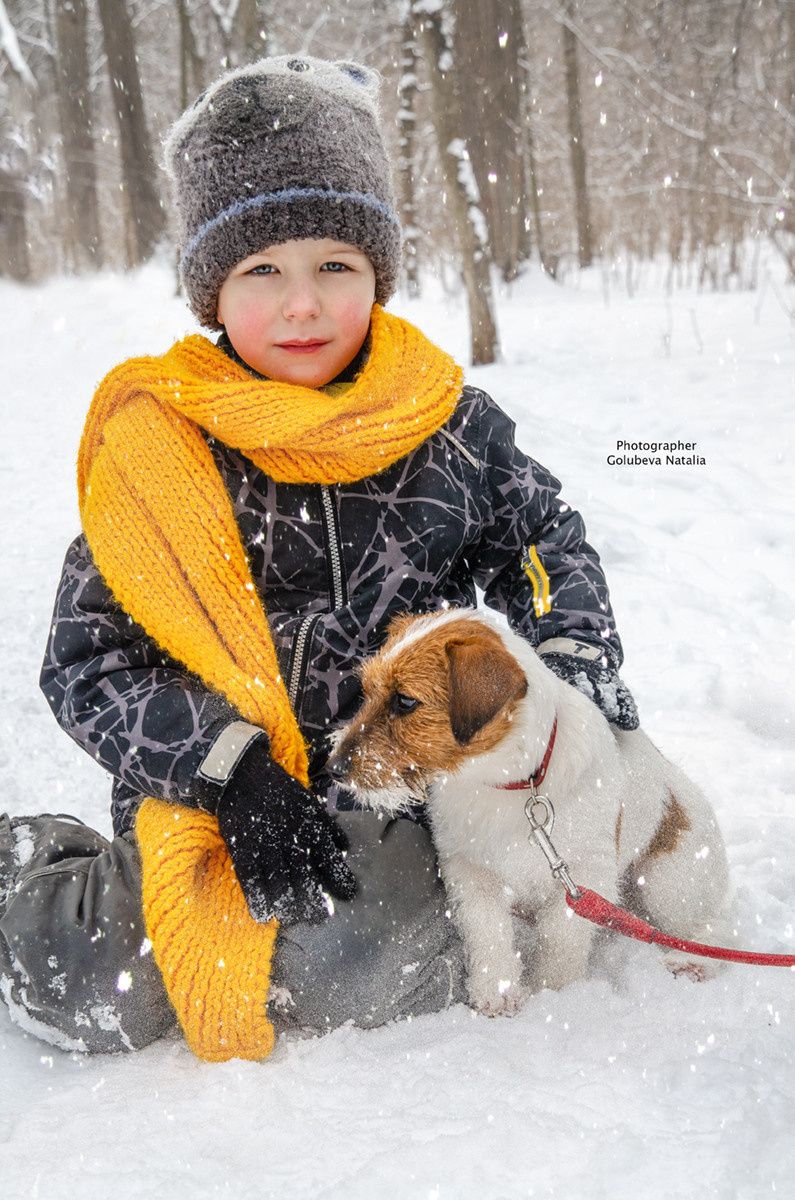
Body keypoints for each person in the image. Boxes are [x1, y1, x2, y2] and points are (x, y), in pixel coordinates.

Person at [0, 55, 637, 1060]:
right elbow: (87, 664)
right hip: (213, 799)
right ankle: (31, 871)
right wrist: (229, 768)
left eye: (335, 265)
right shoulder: (162, 456)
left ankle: (334, 932)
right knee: (105, 991)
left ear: (377, 272)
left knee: (395, 952)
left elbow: (542, 544)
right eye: (263, 272)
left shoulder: (447, 428)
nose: (304, 305)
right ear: (213, 291)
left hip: (393, 791)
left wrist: (575, 669)